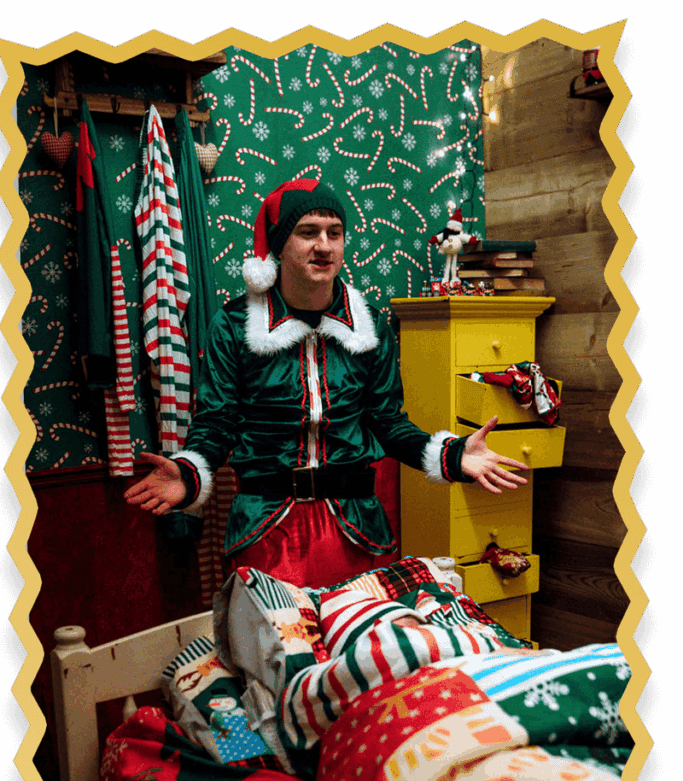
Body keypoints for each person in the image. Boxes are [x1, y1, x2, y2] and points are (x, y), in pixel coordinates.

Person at [124, 178, 529, 588]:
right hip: (267, 527)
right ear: (280, 246)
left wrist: (451, 455)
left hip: (356, 528)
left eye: (334, 233)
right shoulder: (235, 325)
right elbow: (217, 422)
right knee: (281, 646)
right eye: (308, 232)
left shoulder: (369, 325)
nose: (324, 245)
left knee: (361, 646)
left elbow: (388, 422)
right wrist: (190, 473)